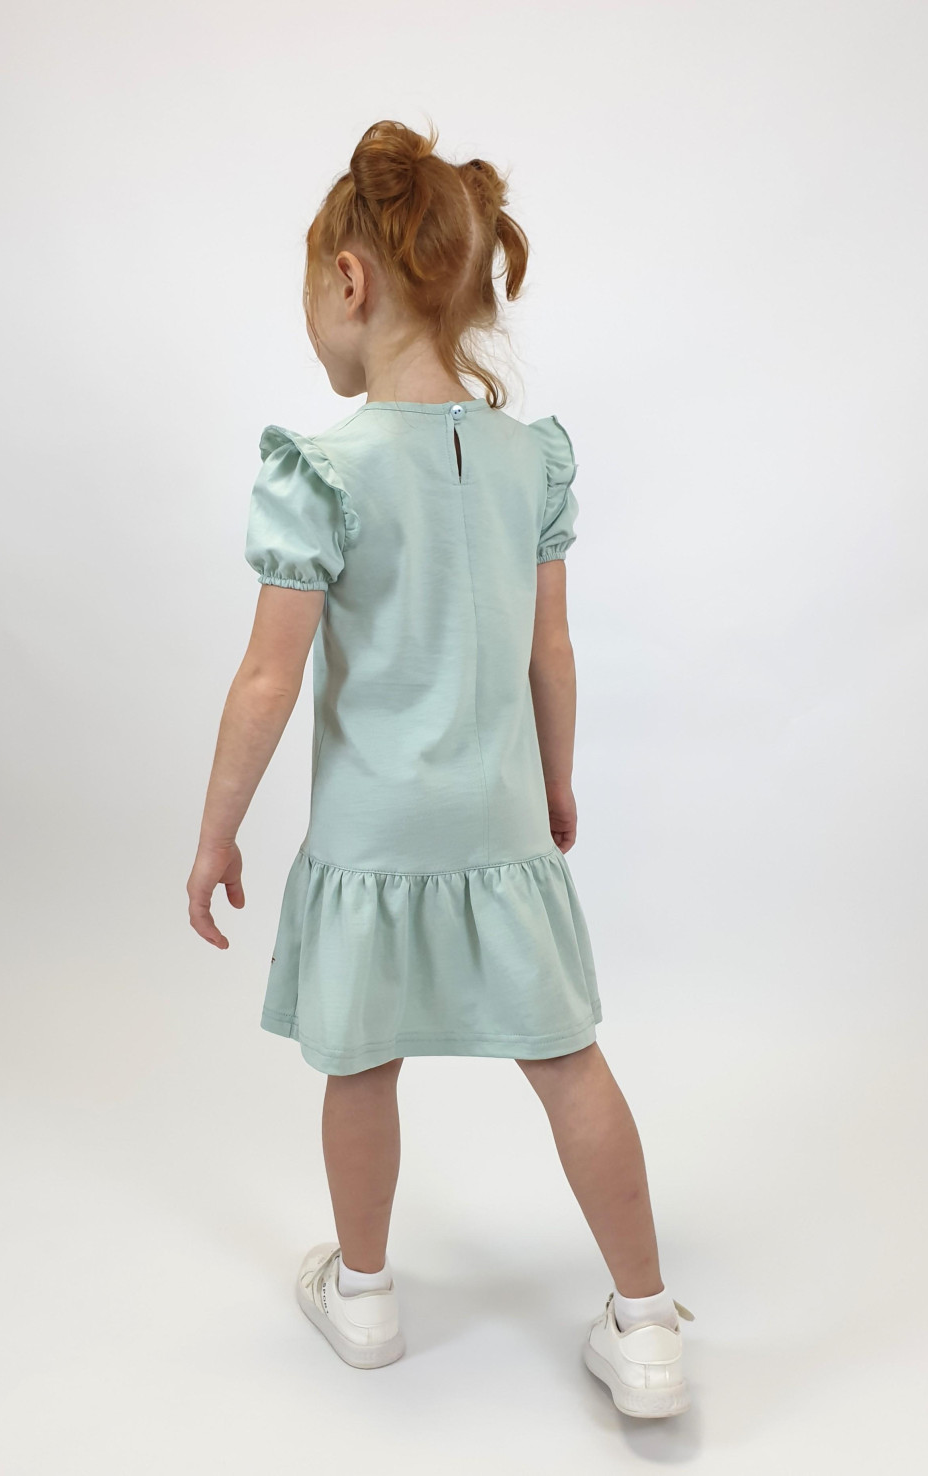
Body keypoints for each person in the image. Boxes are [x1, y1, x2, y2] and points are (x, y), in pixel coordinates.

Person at [187, 118, 693, 1418]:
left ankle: (363, 1295)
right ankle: (645, 1326)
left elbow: (267, 680)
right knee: (568, 1058)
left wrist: (217, 833)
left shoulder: (323, 471)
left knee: (361, 1063)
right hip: (502, 825)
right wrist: (557, 783)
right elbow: (550, 653)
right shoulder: (532, 460)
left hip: (374, 835)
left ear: (350, 282)